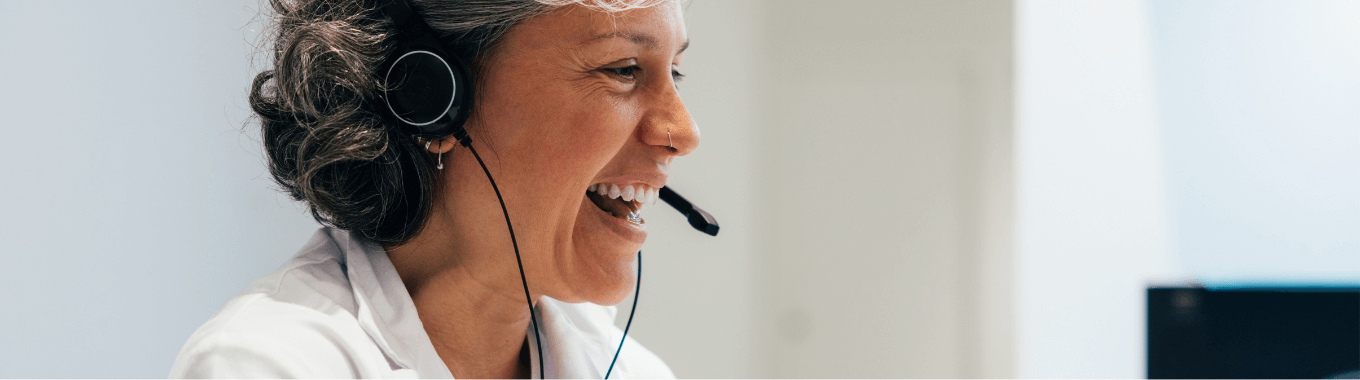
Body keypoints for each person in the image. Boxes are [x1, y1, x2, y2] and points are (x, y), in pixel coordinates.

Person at [169, 0, 698, 377]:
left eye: (675, 71)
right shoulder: (269, 364)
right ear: (430, 96)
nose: (684, 133)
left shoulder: (629, 369)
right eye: (624, 69)